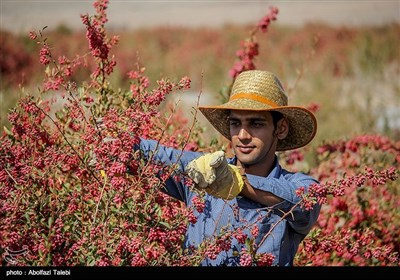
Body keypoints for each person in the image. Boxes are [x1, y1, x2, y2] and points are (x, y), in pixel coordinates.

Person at [135, 70, 321, 266]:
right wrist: (110, 140)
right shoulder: (204, 171)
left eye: (256, 124)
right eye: (235, 123)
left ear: (280, 129)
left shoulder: (298, 185)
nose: (242, 135)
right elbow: (150, 153)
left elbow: (304, 200)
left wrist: (237, 183)